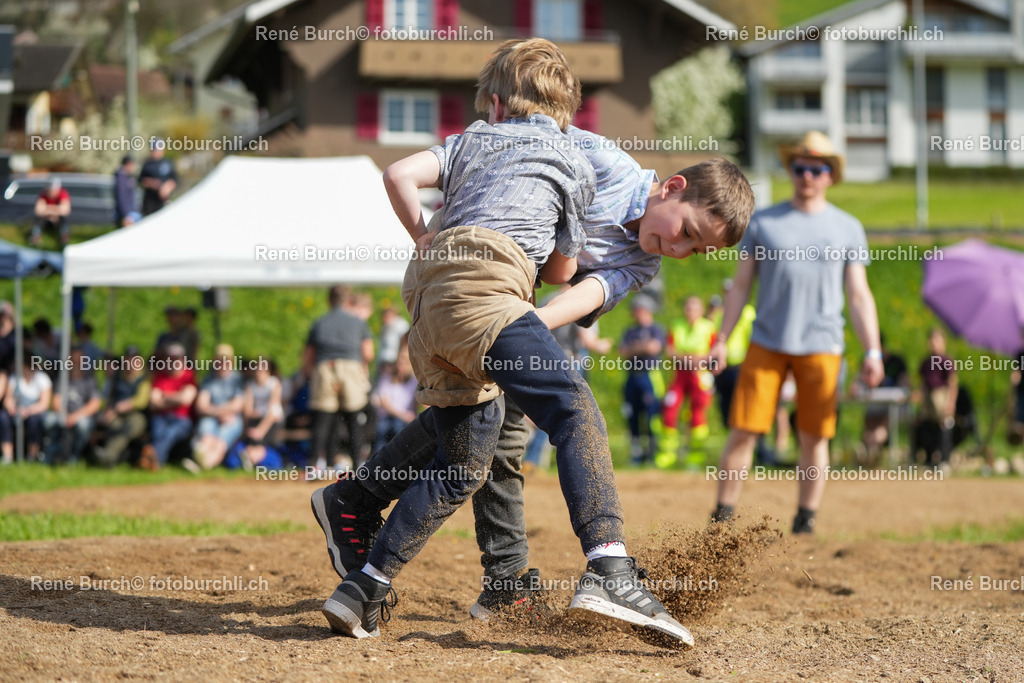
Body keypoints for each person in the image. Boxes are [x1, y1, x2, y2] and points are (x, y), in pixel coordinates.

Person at [317, 38, 753, 646]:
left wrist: (519, 331)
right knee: (570, 411)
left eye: (695, 251)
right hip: (484, 286)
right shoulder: (596, 158)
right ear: (671, 188)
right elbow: (529, 151)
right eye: (685, 230)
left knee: (483, 442)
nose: (679, 249)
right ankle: (605, 567)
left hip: (474, 303)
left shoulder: (643, 263)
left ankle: (417, 557)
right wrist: (506, 319)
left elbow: (581, 294)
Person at [708, 130, 884, 535]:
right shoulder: (763, 223)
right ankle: (722, 518)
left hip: (823, 345)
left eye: (816, 169)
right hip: (767, 341)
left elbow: (859, 295)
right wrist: (721, 339)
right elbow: (741, 287)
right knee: (743, 430)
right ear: (791, 171)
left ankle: (805, 520)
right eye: (800, 167)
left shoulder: (848, 228)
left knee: (813, 436)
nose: (807, 176)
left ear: (830, 176)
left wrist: (873, 351)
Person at [305, 286, 374, 472]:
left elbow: (308, 356)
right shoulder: (358, 323)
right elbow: (368, 353)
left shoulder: (319, 322)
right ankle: (357, 466)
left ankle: (314, 466)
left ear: (329, 301)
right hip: (351, 367)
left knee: (323, 419)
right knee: (354, 418)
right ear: (349, 301)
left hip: (325, 367)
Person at [658, 295, 716, 469]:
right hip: (680, 374)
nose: (690, 312)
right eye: (688, 308)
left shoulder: (709, 328)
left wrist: (691, 358)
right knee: (670, 408)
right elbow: (669, 351)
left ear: (701, 310)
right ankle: (668, 454)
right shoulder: (677, 325)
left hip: (699, 375)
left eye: (694, 308)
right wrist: (692, 358)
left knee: (697, 412)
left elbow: (713, 353)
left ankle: (695, 456)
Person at [619, 295, 665, 466]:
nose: (634, 314)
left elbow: (654, 347)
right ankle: (637, 454)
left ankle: (653, 453)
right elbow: (623, 351)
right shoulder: (630, 331)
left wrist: (635, 348)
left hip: (649, 376)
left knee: (652, 415)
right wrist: (642, 347)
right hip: (632, 376)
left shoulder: (656, 329)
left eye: (637, 310)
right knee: (632, 415)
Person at [188, 343, 244, 472]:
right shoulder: (208, 379)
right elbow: (201, 406)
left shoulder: (237, 379)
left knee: (220, 442)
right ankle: (201, 464)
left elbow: (237, 405)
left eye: (226, 360)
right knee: (206, 437)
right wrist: (220, 413)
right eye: (220, 360)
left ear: (231, 361)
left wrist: (214, 410)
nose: (223, 363)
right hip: (212, 417)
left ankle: (204, 465)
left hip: (231, 419)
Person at [140, 343, 196, 470]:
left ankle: (154, 459)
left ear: (183, 360)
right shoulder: (160, 376)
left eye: (177, 359)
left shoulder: (189, 376)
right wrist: (177, 397)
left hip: (182, 419)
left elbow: (185, 400)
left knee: (170, 433)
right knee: (158, 432)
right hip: (161, 417)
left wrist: (163, 396)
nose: (173, 362)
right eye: (170, 359)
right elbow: (153, 403)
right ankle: (154, 460)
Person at [858, 333, 910, 466]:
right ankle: (869, 444)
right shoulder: (867, 362)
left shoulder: (896, 361)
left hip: (896, 405)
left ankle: (875, 439)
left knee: (888, 418)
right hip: (877, 403)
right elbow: (858, 382)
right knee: (871, 416)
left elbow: (906, 384)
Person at [94, 345, 150, 467]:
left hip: (137, 415)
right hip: (117, 414)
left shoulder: (144, 379)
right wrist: (108, 410)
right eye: (128, 359)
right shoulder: (118, 376)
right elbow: (111, 397)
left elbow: (142, 401)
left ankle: (109, 456)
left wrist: (124, 405)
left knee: (128, 428)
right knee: (114, 425)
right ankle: (111, 457)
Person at [44, 347, 102, 464]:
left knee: (82, 424)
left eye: (79, 360)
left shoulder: (89, 379)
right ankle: (50, 453)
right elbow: (56, 401)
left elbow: (95, 404)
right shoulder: (63, 378)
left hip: (81, 416)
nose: (76, 363)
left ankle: (74, 456)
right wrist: (64, 415)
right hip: (63, 414)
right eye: (73, 360)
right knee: (48, 420)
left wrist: (75, 417)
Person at [914, 327, 958, 466]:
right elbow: (923, 382)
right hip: (928, 395)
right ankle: (928, 459)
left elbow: (952, 382)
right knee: (926, 426)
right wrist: (919, 394)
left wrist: (951, 402)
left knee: (943, 425)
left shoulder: (946, 360)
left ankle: (944, 459)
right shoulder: (926, 361)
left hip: (941, 395)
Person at [235, 359, 284, 470]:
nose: (258, 372)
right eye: (256, 369)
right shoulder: (250, 385)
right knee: (253, 440)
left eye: (261, 369)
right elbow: (248, 411)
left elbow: (273, 411)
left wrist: (260, 431)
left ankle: (251, 457)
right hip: (256, 420)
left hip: (272, 422)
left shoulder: (274, 384)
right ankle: (253, 458)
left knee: (259, 441)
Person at [1, 355, 52, 462]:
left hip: (34, 412)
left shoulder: (42, 378)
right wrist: (11, 407)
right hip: (17, 411)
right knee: (3, 417)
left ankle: (31, 456)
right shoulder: (15, 377)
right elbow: (8, 399)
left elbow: (44, 404)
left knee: (34, 421)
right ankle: (7, 456)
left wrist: (28, 410)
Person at [372, 344, 418, 453]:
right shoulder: (387, 377)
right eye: (399, 362)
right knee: (384, 428)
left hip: (404, 420)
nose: (400, 366)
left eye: (404, 363)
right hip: (390, 416)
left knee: (398, 428)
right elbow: (384, 402)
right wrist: (402, 415)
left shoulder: (414, 382)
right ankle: (378, 459)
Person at [138, 141, 177, 216]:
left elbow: (174, 179)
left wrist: (167, 187)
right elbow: (140, 180)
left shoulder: (168, 163)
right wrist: (152, 183)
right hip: (150, 204)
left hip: (164, 202)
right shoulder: (147, 164)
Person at [31, 178, 71, 247]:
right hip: (47, 220)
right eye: (50, 190)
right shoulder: (43, 194)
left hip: (57, 221)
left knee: (63, 219)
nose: (51, 192)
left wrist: (47, 209)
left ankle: (64, 239)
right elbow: (38, 211)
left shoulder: (63, 194)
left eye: (54, 190)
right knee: (39, 219)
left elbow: (66, 211)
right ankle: (36, 238)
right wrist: (56, 210)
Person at [114, 155, 141, 227]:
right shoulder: (121, 179)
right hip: (127, 216)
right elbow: (121, 197)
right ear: (128, 164)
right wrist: (125, 215)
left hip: (131, 213)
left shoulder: (128, 177)